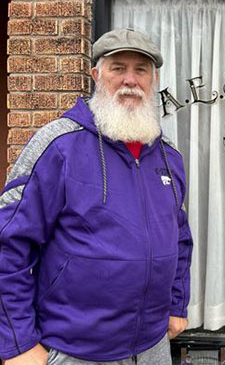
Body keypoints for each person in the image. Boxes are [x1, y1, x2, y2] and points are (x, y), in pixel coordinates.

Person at [0, 29, 193, 364]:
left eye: (141, 70)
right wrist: (18, 342)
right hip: (75, 350)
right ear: (96, 75)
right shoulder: (58, 146)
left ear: (154, 79)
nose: (130, 80)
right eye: (118, 68)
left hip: (153, 346)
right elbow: (8, 244)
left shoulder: (168, 157)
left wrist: (176, 305)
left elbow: (179, 239)